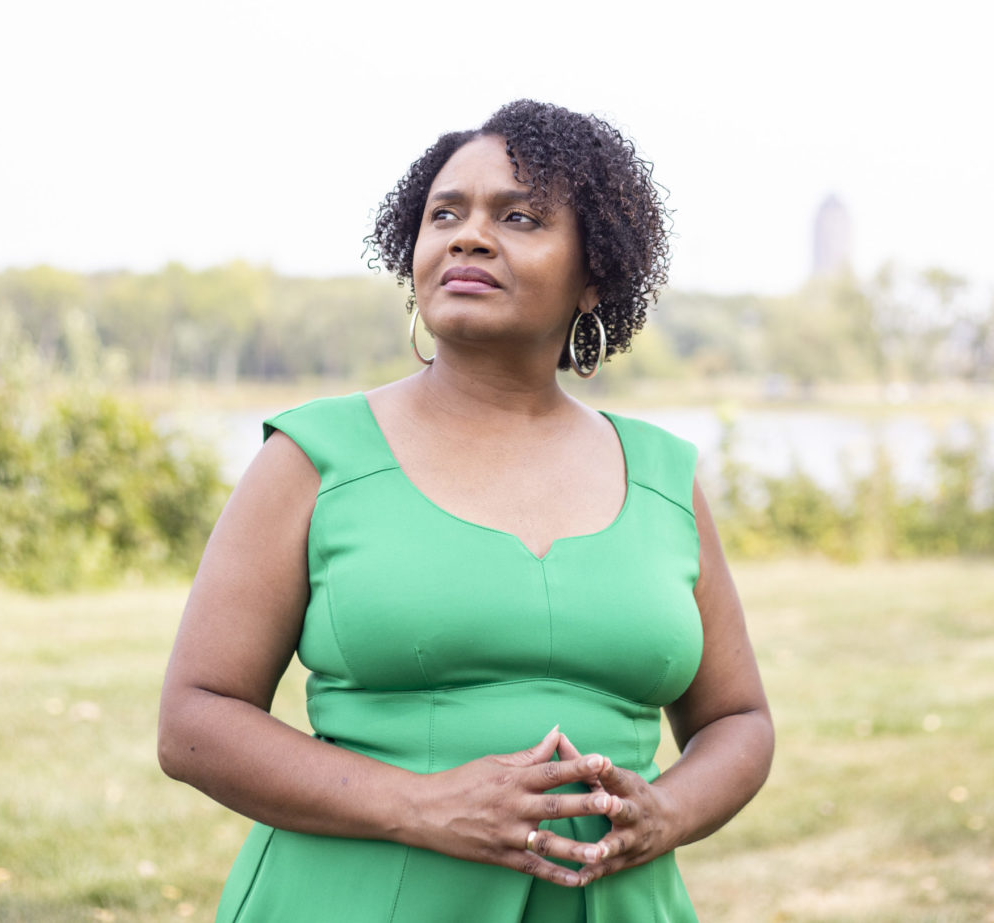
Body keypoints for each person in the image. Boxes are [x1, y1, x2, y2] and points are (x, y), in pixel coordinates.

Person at [158, 99, 774, 922]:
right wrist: (420, 803)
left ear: (595, 274)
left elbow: (739, 719)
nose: (469, 234)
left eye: (520, 216)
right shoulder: (313, 457)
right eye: (444, 213)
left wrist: (668, 812)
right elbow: (195, 719)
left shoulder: (663, 475)